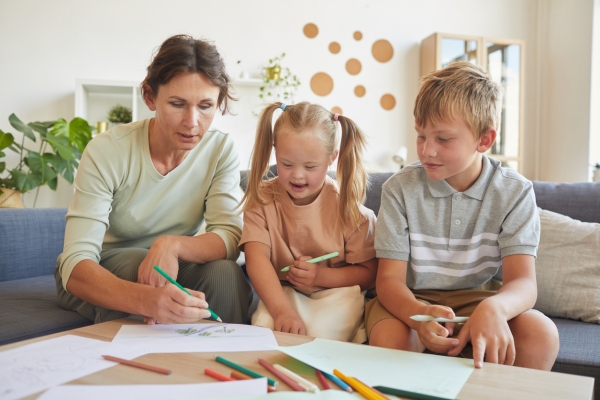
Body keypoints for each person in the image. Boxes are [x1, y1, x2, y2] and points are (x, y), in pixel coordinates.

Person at [366, 62, 559, 369]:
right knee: (391, 339)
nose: (427, 150)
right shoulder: (398, 189)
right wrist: (419, 316)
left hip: (481, 298)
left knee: (540, 333)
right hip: (412, 299)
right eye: (420, 136)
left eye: (443, 139)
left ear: (484, 140)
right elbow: (389, 282)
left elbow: (524, 283)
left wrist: (494, 309)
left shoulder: (515, 191)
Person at [55, 34, 252, 325]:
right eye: (177, 103)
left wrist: (171, 245)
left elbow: (231, 236)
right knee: (137, 262)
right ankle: (129, 368)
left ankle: (225, 360)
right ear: (150, 97)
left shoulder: (220, 149)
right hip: (96, 272)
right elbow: (75, 263)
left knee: (225, 273)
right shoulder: (107, 150)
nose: (192, 122)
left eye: (206, 106)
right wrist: (146, 300)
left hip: (172, 264)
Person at [239, 102, 377, 342]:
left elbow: (369, 273)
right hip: (281, 293)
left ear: (332, 157)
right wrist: (282, 311)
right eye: (287, 164)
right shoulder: (261, 199)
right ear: (275, 152)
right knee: (265, 330)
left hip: (337, 293)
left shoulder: (350, 209)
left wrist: (320, 278)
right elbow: (256, 259)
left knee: (318, 337)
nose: (298, 175)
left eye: (310, 166)